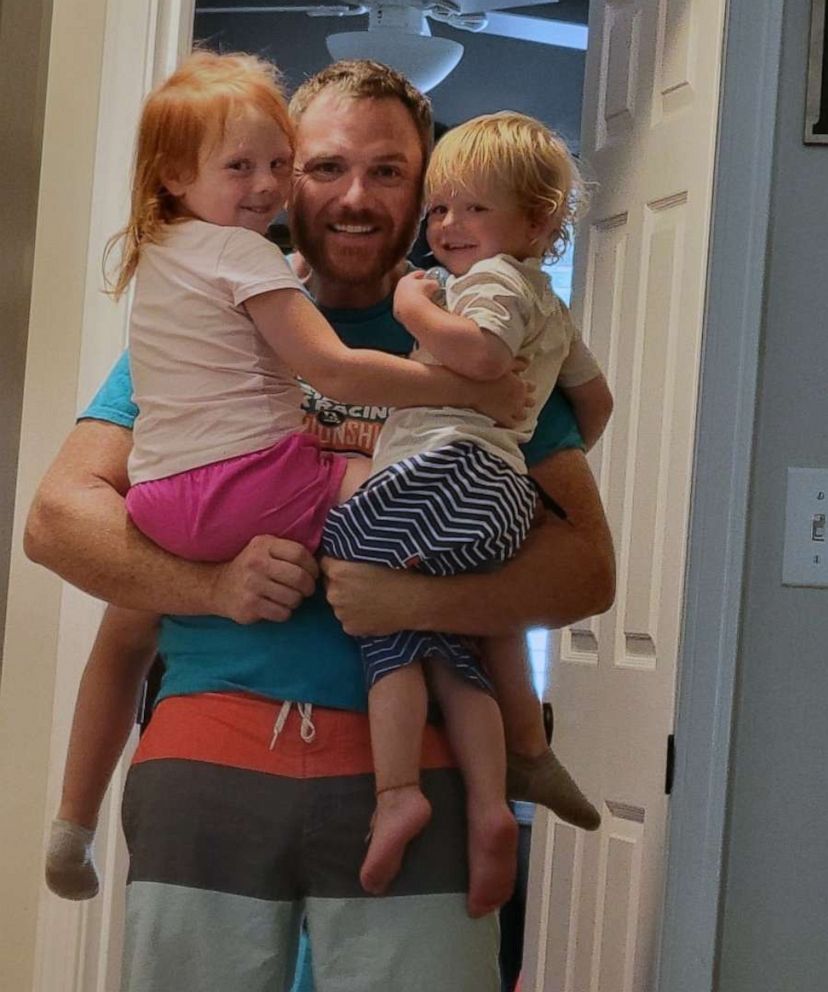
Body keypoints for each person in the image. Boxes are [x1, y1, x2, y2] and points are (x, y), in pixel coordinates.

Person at [25, 58, 615, 992]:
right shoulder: (206, 322)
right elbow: (60, 519)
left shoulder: (479, 334)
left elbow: (587, 572)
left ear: (426, 192)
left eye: (389, 173)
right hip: (209, 758)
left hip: (420, 776)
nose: (355, 197)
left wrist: (421, 597)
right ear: (282, 173)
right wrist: (211, 586)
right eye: (326, 166)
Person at [324, 110, 606, 911]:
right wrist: (528, 442)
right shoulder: (551, 304)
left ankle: (397, 790)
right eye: (441, 208)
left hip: (444, 469)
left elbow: (478, 355)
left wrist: (416, 309)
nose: (448, 227)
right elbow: (598, 402)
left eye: (473, 209)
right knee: (458, 649)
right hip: (501, 493)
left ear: (538, 221)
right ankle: (499, 793)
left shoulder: (479, 284)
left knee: (341, 559)